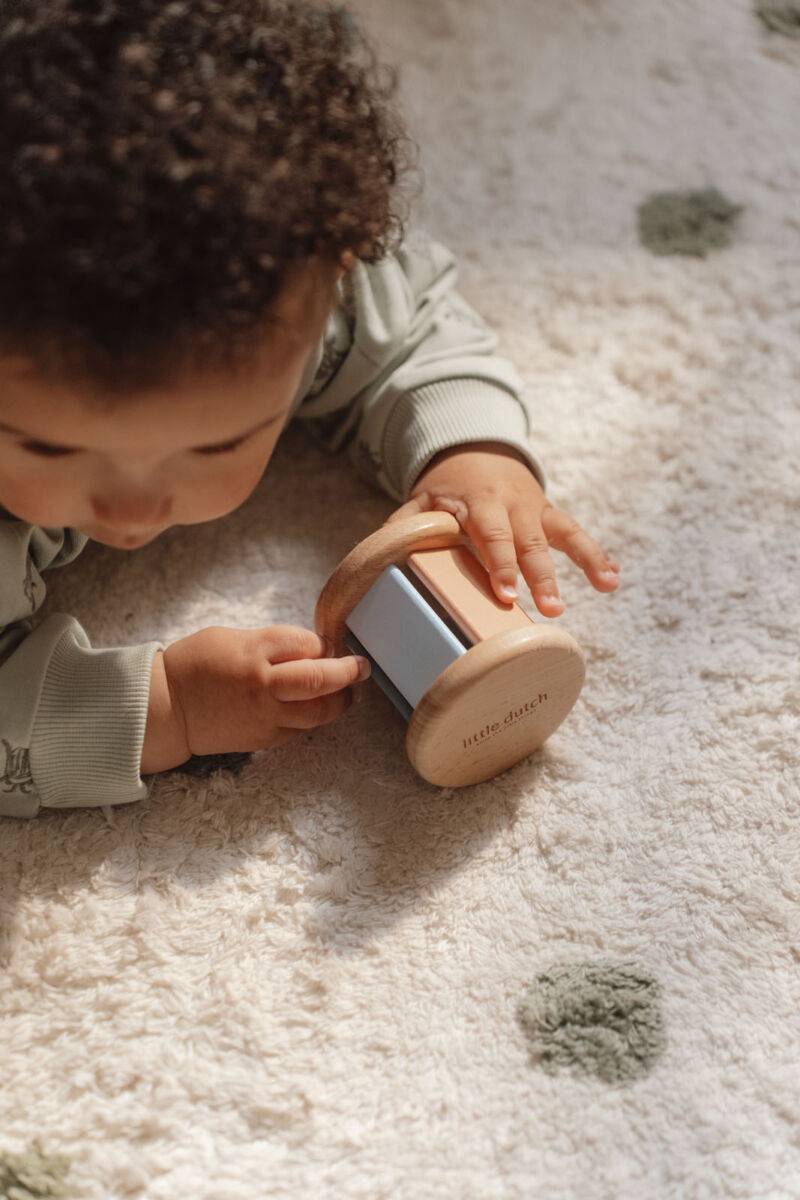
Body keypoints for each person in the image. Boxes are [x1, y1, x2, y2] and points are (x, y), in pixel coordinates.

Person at [0, 0, 620, 820]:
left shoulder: (284, 292)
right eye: (49, 450)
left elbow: (412, 334)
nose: (135, 507)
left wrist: (468, 453)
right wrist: (169, 705)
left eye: (213, 444)